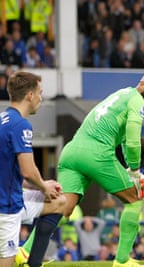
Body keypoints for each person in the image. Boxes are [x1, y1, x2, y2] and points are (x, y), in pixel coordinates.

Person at [25, 72, 144, 267]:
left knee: (62, 208)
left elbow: (124, 139)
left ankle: (25, 252)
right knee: (135, 199)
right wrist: (135, 170)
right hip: (96, 153)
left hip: (71, 151)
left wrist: (130, 169)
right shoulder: (137, 101)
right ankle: (122, 261)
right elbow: (133, 142)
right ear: (142, 85)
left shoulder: (122, 94)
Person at [0, 71, 60, 267]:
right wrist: (44, 186)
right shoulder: (20, 125)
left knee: (59, 201)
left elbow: (11, 169)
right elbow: (27, 170)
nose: (41, 98)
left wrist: (40, 186)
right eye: (40, 92)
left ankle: (32, 263)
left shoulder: (3, 120)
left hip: (12, 197)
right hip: (6, 209)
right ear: (30, 95)